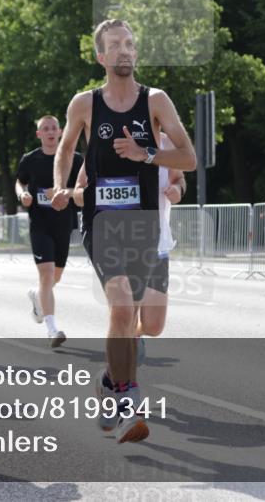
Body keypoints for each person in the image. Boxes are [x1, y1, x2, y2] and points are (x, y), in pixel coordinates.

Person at [51, 19, 196, 444]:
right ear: (100, 57)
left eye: (130, 44)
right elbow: (65, 150)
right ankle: (129, 397)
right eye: (115, 45)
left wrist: (145, 152)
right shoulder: (84, 104)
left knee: (140, 318)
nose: (125, 51)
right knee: (121, 304)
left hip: (145, 222)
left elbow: (187, 157)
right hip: (102, 221)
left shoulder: (156, 100)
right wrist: (62, 185)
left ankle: (110, 383)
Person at [74, 130, 187, 361]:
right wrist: (94, 195)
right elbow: (78, 190)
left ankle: (132, 336)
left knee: (154, 326)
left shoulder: (167, 143)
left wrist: (177, 190)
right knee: (124, 310)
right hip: (118, 241)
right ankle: (116, 379)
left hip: (158, 242)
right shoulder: (107, 142)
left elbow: (179, 179)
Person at [15, 114, 82, 348]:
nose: (51, 131)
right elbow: (20, 181)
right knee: (46, 274)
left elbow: (84, 188)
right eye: (46, 128)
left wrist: (66, 193)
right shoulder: (30, 159)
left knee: (56, 277)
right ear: (39, 134)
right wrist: (22, 194)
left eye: (54, 127)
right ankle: (52, 329)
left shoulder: (74, 158)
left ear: (61, 132)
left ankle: (36, 295)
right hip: (39, 223)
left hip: (63, 224)